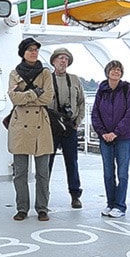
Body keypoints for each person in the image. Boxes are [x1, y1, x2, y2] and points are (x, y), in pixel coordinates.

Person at [7, 37, 55, 221]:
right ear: (23, 53)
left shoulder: (45, 73)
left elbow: (48, 98)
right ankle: (22, 208)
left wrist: (24, 96)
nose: (33, 52)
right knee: (20, 171)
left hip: (41, 124)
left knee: (42, 171)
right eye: (30, 49)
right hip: (20, 125)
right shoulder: (14, 73)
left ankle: (42, 208)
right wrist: (35, 93)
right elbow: (14, 99)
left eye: (36, 49)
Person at [91, 60, 130, 218]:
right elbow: (95, 113)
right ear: (107, 72)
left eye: (119, 69)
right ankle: (110, 203)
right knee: (108, 172)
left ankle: (120, 205)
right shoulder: (102, 90)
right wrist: (103, 132)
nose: (116, 72)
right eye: (113, 69)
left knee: (123, 172)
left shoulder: (126, 89)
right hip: (105, 138)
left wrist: (116, 132)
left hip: (123, 137)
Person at [48, 47, 86, 209]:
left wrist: (78, 121)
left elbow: (82, 102)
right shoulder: (47, 79)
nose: (63, 61)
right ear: (54, 61)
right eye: (60, 58)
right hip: (51, 127)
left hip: (70, 126)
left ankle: (75, 194)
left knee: (72, 161)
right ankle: (43, 195)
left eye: (66, 59)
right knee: (46, 162)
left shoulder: (75, 79)